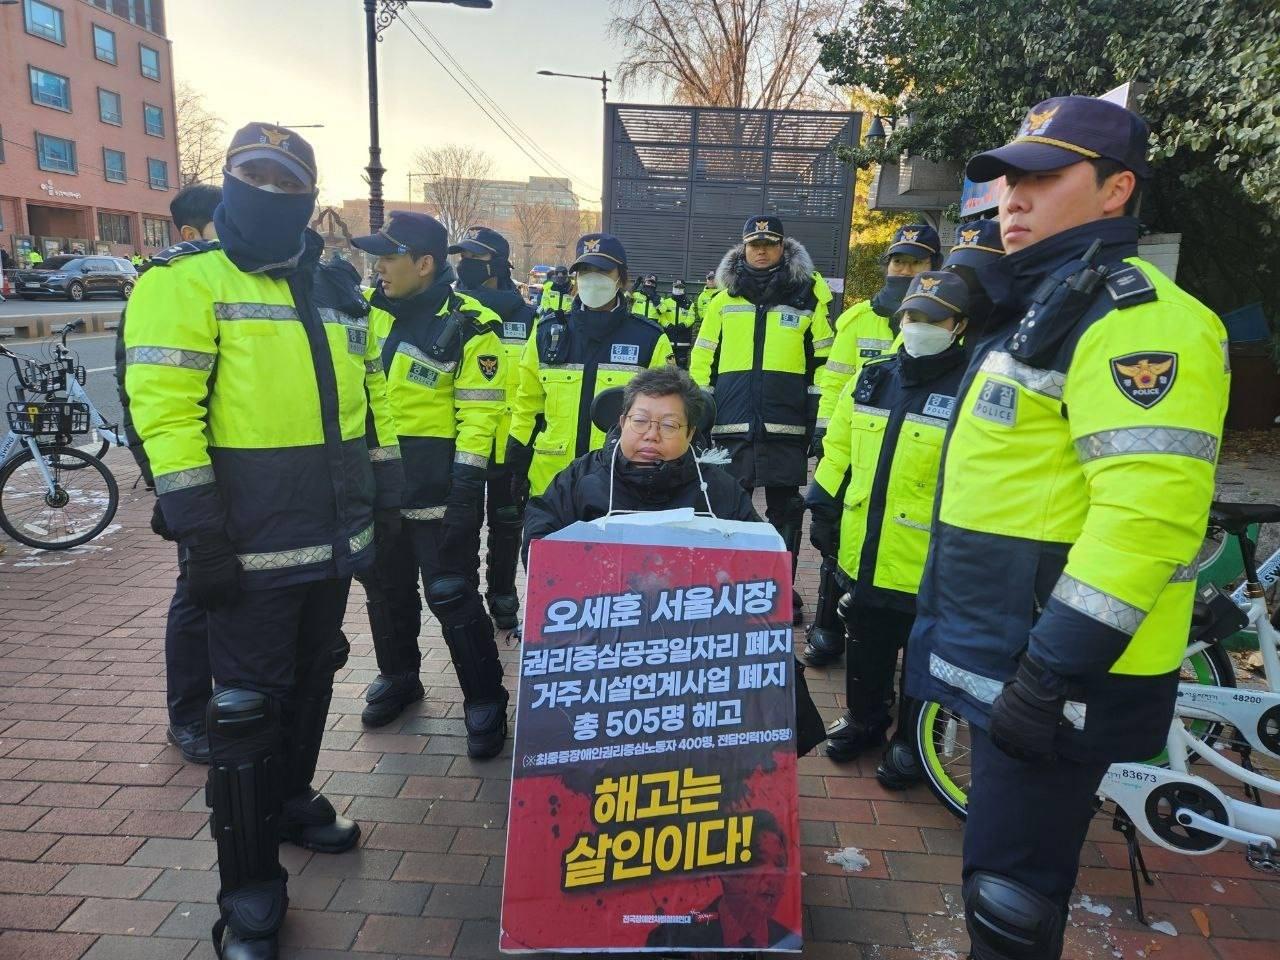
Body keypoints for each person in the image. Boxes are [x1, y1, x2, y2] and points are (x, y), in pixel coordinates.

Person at [904, 96, 1230, 960]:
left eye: (1043, 179)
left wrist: (1050, 675)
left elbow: (1148, 521)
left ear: (1117, 188)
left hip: (1053, 673)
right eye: (1008, 179)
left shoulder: (1137, 319)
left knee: (1012, 902)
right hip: (1008, 655)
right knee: (1000, 882)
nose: (1012, 198)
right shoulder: (1047, 303)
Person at [125, 122, 403, 960]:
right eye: (253, 177)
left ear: (309, 201)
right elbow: (165, 417)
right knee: (247, 712)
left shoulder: (334, 289)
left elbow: (371, 401)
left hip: (331, 540)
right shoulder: (184, 283)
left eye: (286, 182)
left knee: (316, 676)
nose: (269, 193)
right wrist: (198, 534)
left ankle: (287, 804)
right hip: (243, 548)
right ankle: (247, 887)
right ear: (229, 183)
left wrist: (384, 501)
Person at [522, 366, 826, 756]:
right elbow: (540, 542)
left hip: (695, 643)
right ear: (622, 421)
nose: (652, 434)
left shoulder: (717, 489)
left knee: (773, 662)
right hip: (602, 638)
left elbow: (758, 553)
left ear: (689, 434)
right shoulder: (582, 477)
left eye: (669, 425)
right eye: (641, 421)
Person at [349, 212, 510, 753]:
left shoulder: (472, 322)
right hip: (377, 489)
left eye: (389, 257)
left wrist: (465, 491)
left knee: (452, 594)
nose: (379, 267)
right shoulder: (361, 313)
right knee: (385, 591)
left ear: (425, 263)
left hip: (439, 490)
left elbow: (481, 415)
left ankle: (485, 699)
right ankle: (400, 676)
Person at [807, 270, 974, 787]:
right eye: (912, 316)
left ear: (960, 324)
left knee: (923, 657)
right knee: (866, 642)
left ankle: (910, 743)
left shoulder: (972, 388)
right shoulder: (873, 377)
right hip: (866, 545)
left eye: (934, 318)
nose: (920, 326)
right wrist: (824, 505)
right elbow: (838, 449)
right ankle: (865, 720)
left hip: (928, 556)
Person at [116, 181, 222, 764]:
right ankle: (187, 716)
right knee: (195, 595)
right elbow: (144, 403)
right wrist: (168, 487)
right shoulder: (166, 286)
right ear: (191, 232)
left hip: (237, 475)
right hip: (193, 480)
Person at [690, 215, 835, 626]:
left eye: (769, 244)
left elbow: (823, 361)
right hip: (730, 425)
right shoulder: (723, 299)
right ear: (744, 248)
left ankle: (779, 590)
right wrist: (701, 407)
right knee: (728, 508)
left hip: (785, 425)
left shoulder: (807, 298)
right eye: (755, 244)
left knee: (786, 510)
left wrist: (815, 413)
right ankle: (730, 587)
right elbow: (702, 358)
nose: (761, 250)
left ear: (782, 247)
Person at [506, 232, 674, 501]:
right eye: (584, 270)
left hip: (619, 487)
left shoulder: (649, 339)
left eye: (602, 271)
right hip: (550, 485)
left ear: (621, 277)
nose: (592, 278)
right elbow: (526, 404)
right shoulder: (547, 333)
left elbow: (666, 415)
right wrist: (516, 464)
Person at [450, 225, 534, 630]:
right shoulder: (451, 314)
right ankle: (462, 600)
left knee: (506, 526)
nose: (464, 266)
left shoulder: (530, 320)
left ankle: (503, 595)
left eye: (475, 258)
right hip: (461, 444)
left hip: (509, 448)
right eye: (461, 258)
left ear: (498, 264)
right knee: (461, 525)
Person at [644, 810, 801, 952]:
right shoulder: (669, 938)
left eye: (780, 865)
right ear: (725, 871)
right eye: (758, 861)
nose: (772, 876)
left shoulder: (787, 941)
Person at [661, 279, 696, 368]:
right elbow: (661, 317)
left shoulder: (689, 303)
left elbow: (691, 317)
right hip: (668, 341)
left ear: (684, 289)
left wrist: (683, 325)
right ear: (672, 287)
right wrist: (667, 325)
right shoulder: (666, 302)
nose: (678, 289)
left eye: (680, 287)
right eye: (676, 287)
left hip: (683, 341)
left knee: (682, 369)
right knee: (668, 369)